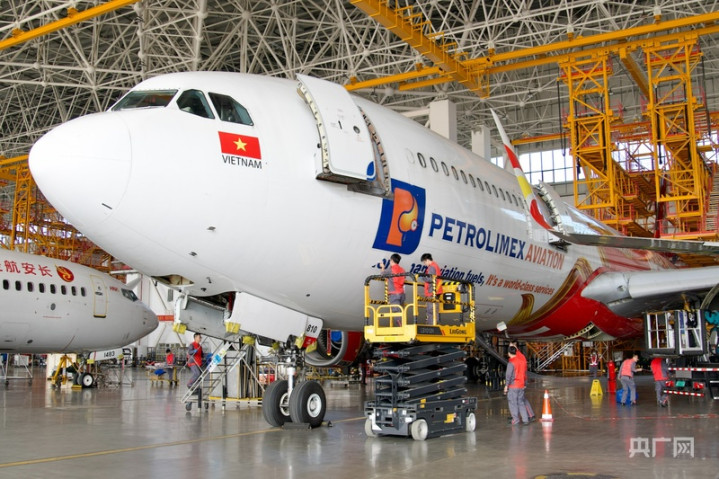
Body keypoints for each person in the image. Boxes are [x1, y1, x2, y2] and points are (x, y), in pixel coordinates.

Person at [509, 340, 535, 422]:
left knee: (521, 400)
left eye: (511, 346)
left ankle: (529, 415)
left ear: (515, 346)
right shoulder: (519, 356)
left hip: (520, 380)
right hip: (521, 380)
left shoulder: (518, 356)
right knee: (520, 399)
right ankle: (525, 416)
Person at [504, 346, 529, 425]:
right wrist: (524, 383)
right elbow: (524, 373)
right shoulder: (522, 361)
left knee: (513, 403)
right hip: (521, 385)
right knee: (521, 402)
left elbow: (508, 375)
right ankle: (525, 419)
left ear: (509, 353)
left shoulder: (511, 362)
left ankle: (515, 420)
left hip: (513, 386)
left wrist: (506, 386)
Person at [381, 253, 406, 325]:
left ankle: (402, 328)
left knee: (396, 312)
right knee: (401, 311)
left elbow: (382, 274)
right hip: (402, 294)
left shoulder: (391, 270)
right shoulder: (402, 270)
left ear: (391, 260)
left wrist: (382, 267)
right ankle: (403, 325)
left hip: (394, 294)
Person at [420, 253, 443, 324]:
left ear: (427, 260)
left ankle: (432, 326)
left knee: (431, 310)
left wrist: (423, 277)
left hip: (432, 291)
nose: (425, 264)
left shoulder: (432, 267)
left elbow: (431, 279)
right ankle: (433, 324)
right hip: (435, 290)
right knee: (434, 309)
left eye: (424, 262)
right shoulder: (435, 266)